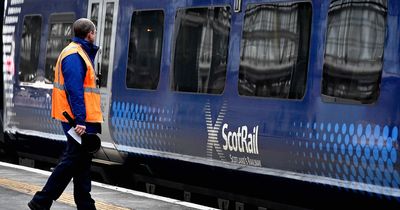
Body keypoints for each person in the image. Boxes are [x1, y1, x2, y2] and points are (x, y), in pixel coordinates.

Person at [28, 18, 103, 210]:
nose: (95, 35)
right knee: (72, 160)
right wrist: (80, 120)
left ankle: (86, 205)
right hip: (75, 119)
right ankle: (41, 201)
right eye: (94, 32)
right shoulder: (73, 55)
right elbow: (75, 91)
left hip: (79, 118)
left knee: (81, 163)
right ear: (90, 34)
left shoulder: (79, 53)